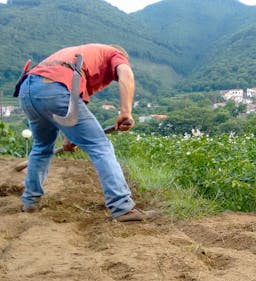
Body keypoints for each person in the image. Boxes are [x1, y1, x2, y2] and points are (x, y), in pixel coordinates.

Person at [17, 43, 157, 222]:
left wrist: (70, 137)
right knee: (100, 146)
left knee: (42, 146)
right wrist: (125, 111)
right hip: (55, 88)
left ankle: (30, 202)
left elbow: (75, 103)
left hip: (28, 90)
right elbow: (126, 74)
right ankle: (122, 208)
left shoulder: (81, 57)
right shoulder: (115, 54)